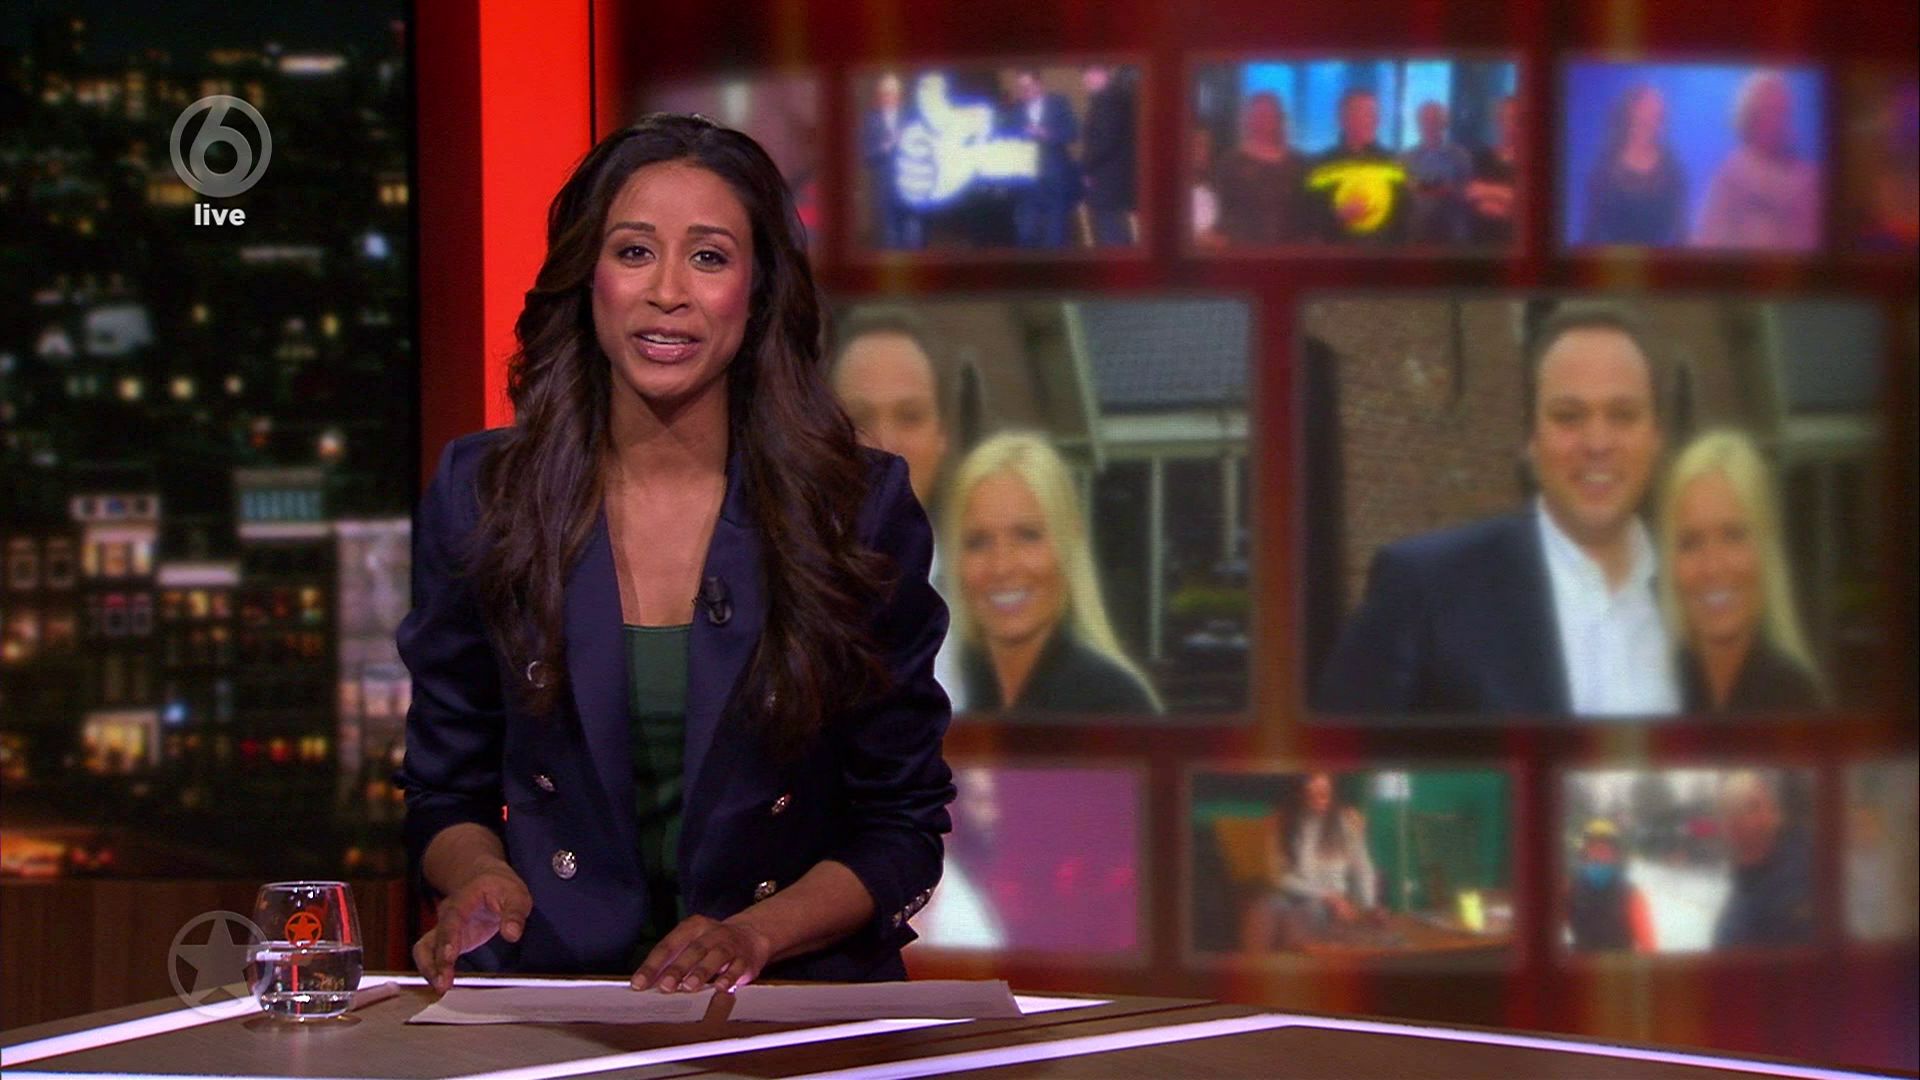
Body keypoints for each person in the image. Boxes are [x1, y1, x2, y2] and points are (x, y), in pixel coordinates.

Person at [394, 114, 956, 994]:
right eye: (633, 252)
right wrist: (479, 879)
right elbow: (444, 792)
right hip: (558, 994)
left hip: (789, 1003)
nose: (667, 292)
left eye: (707, 257)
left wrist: (752, 937)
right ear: (588, 279)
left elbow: (901, 826)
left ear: (756, 290)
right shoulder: (485, 495)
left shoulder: (854, 509)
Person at [1316, 305, 1680, 718]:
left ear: (1656, 437)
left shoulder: (1702, 594)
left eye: (1623, 415)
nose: (1597, 443)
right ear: (1532, 438)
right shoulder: (1424, 591)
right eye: (1568, 416)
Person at [943, 432, 1159, 714]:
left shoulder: (1113, 707)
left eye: (1027, 536)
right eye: (978, 542)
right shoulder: (947, 691)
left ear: (1069, 544)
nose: (1001, 566)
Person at [829, 308, 965, 710]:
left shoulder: (986, 600)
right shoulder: (773, 595)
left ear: (943, 435)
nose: (886, 444)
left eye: (910, 417)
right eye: (860, 419)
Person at [1657, 430, 1823, 713]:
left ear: (1764, 549)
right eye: (1691, 542)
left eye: (1733, 536)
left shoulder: (1796, 702)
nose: (1712, 566)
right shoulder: (1655, 687)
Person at [1693, 71, 1820, 251]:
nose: (1776, 122)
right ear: (1749, 117)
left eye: (1781, 112)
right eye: (1768, 111)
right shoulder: (1730, 174)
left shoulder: (1807, 177)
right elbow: (1707, 239)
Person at [1713, 771, 1815, 949]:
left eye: (1752, 806)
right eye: (1729, 810)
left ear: (1776, 812)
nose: (1738, 818)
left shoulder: (1812, 866)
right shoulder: (1732, 914)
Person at [1581, 84, 1688, 246]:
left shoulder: (1672, 168)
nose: (1651, 120)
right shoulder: (1606, 166)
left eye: (1657, 115)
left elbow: (1681, 231)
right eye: (1645, 111)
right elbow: (1591, 228)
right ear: (1629, 114)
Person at [1305, 88, 1410, 244]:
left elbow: (1406, 216)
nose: (1373, 120)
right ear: (1343, 119)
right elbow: (1308, 220)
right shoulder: (1321, 165)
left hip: (1384, 255)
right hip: (1337, 254)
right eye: (1364, 113)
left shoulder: (1393, 163)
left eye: (1374, 114)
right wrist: (1337, 216)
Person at [1210, 92, 1309, 247]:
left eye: (1269, 115)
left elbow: (1307, 212)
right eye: (1258, 115)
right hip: (1243, 250)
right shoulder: (1230, 164)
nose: (1263, 120)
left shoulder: (1299, 163)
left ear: (1280, 119)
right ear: (1248, 120)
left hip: (1290, 250)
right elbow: (1220, 211)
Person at [1006, 69, 1082, 249]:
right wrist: (1020, 134)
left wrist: (1047, 133)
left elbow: (1073, 133)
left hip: (1055, 177)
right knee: (1026, 233)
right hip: (1027, 180)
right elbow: (1007, 136)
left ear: (1040, 84)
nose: (1025, 91)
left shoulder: (1059, 103)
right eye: (1021, 87)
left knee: (1056, 234)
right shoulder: (1016, 109)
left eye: (1029, 86)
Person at [1566, 819, 1657, 952]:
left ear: (1616, 856)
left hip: (1620, 963)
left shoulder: (1631, 894)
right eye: (1594, 851)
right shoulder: (1570, 889)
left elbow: (1648, 944)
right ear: (1584, 855)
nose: (1599, 857)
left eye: (1605, 852)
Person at [860, 73, 923, 250]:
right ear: (880, 95)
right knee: (890, 241)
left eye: (894, 93)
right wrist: (884, 148)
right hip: (885, 191)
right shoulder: (870, 119)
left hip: (911, 186)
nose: (890, 97)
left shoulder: (912, 117)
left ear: (899, 94)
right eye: (886, 93)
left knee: (913, 239)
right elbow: (866, 155)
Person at [1079, 64, 1138, 247]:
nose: (1086, 79)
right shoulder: (1116, 97)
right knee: (1116, 231)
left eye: (1091, 72)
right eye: (1084, 74)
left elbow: (1104, 142)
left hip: (1107, 179)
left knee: (1111, 235)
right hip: (1115, 178)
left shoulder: (1108, 100)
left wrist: (1085, 169)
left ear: (1104, 73)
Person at [1402, 99, 1473, 245]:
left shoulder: (1460, 156)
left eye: (1434, 120)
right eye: (1425, 120)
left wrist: (1450, 190)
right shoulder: (1406, 158)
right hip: (1416, 236)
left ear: (1444, 123)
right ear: (1418, 124)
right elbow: (1401, 197)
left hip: (1452, 236)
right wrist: (1410, 188)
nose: (1429, 126)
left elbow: (1471, 193)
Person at [1466, 94, 1521, 247]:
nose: (1509, 125)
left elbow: (1526, 204)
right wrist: (1506, 197)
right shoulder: (1483, 157)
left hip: (1514, 244)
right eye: (1504, 118)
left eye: (1515, 119)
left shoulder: (1532, 161)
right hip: (1481, 242)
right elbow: (1473, 194)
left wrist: (1488, 191)